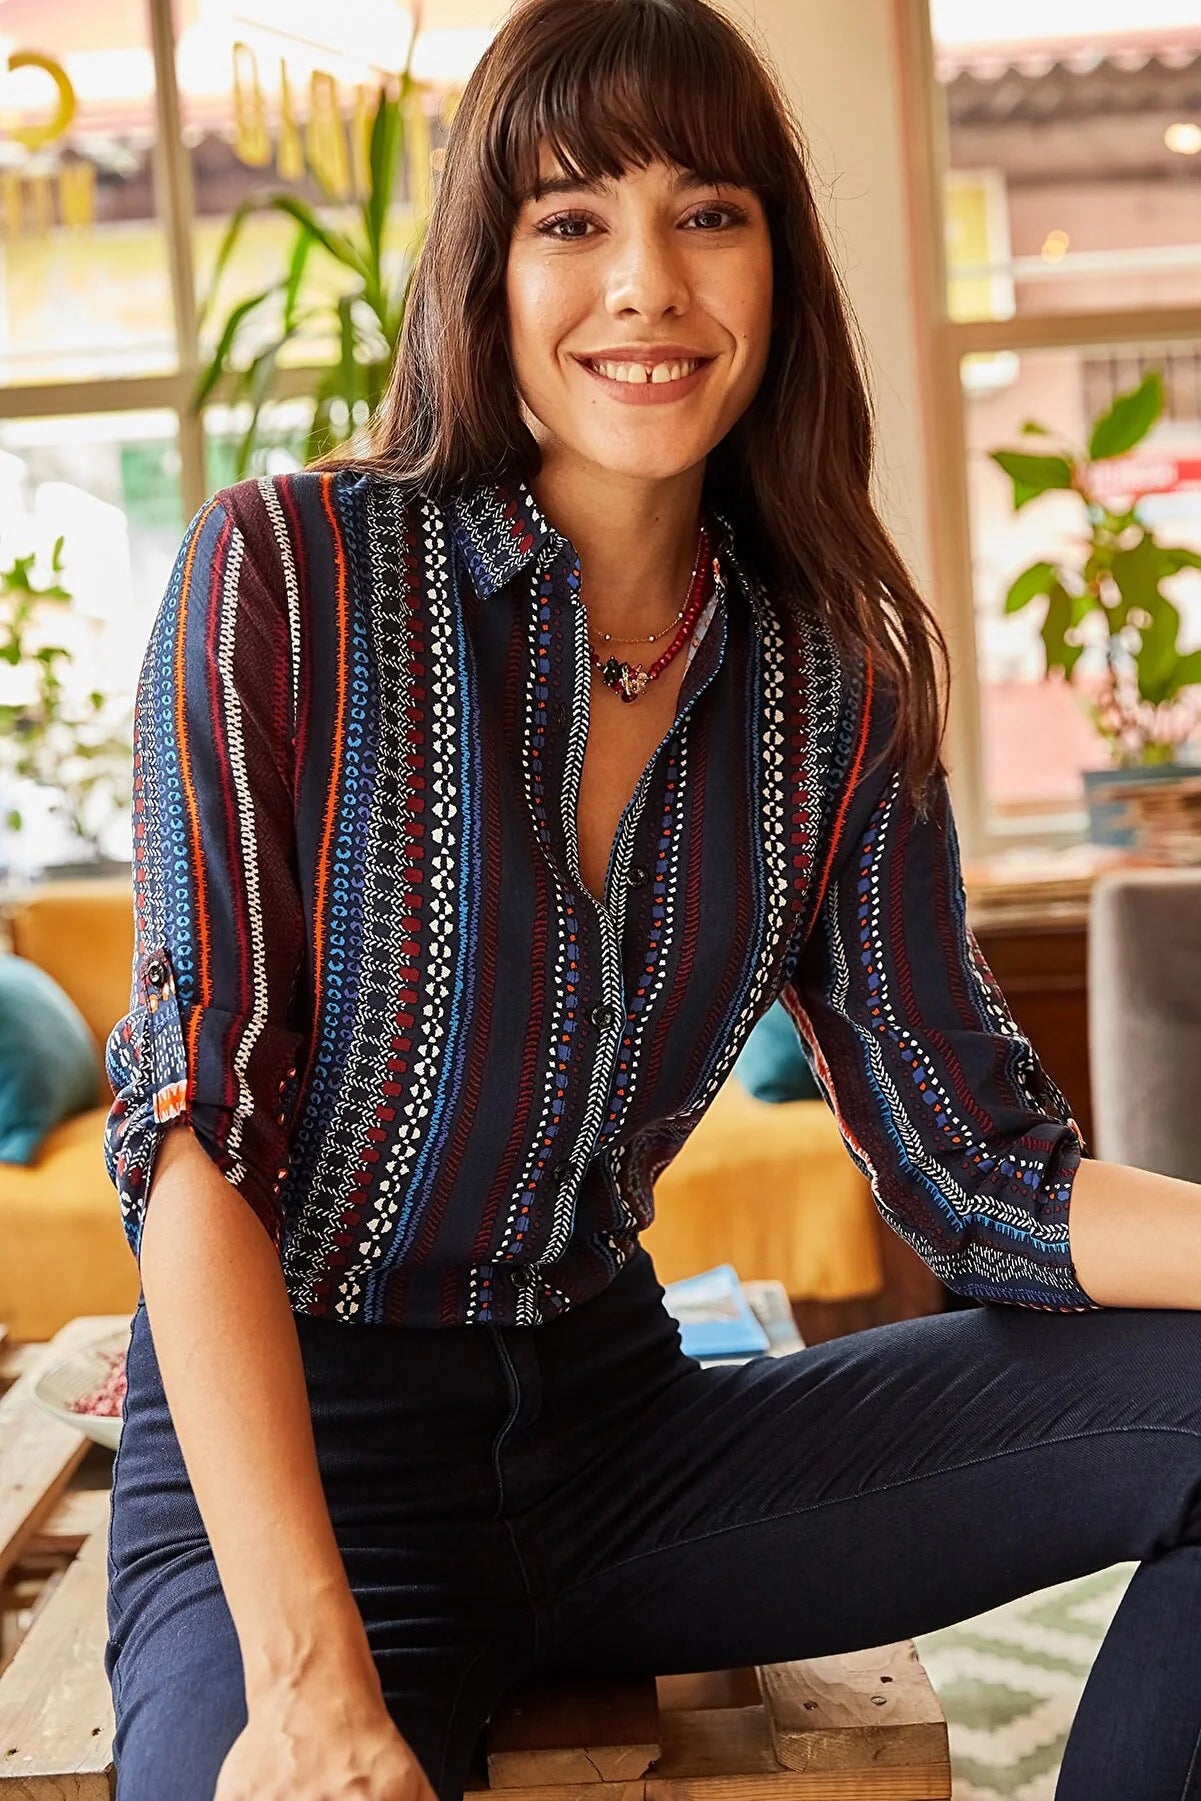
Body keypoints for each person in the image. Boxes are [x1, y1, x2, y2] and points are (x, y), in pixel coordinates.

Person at [101, 1, 1201, 1796]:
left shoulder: (831, 678)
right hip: (306, 1470)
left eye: (707, 214)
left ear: (775, 262)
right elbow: (191, 1132)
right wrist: (307, 1682)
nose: (645, 285)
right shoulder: (288, 575)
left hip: (624, 1442)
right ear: (489, 270)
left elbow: (978, 1173)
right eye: (570, 221)